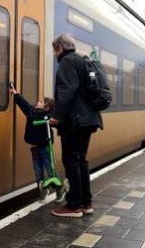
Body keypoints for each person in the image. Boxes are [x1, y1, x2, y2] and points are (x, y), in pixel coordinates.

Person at [49, 34, 103, 218]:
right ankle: (86, 203)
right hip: (90, 119)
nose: (55, 55)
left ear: (60, 48)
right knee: (81, 160)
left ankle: (74, 206)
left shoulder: (67, 62)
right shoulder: (83, 60)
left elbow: (66, 90)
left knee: (71, 160)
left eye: (55, 51)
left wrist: (56, 116)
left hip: (75, 121)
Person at [9, 84, 68, 202]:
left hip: (45, 148)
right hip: (34, 148)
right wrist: (15, 93)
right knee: (38, 171)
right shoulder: (31, 112)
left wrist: (55, 121)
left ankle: (59, 189)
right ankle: (42, 191)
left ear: (46, 107)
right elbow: (23, 104)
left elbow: (58, 122)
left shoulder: (47, 117)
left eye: (41, 101)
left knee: (50, 169)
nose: (38, 101)